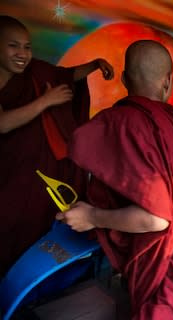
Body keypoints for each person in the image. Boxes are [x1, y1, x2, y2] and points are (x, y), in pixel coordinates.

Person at [58, 40, 173, 319]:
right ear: (168, 82)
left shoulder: (116, 123)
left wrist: (92, 216)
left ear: (125, 79)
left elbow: (156, 218)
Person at [0, 15, 113, 277]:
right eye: (13, 46)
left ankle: (34, 281)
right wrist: (45, 101)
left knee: (40, 224)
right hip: (11, 169)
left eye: (27, 47)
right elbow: (3, 124)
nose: (22, 54)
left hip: (41, 168)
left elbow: (64, 76)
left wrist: (94, 65)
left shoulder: (35, 72)